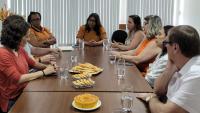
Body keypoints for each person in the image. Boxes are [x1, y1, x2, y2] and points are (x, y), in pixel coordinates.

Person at [0, 15, 56, 113]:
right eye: (26, 36)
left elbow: (34, 64)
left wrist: (51, 67)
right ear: (16, 37)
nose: (28, 39)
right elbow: (18, 78)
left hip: (25, 91)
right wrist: (44, 72)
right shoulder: (3, 54)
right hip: (12, 99)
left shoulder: (19, 49)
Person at [137, 25, 200, 113]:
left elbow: (164, 111)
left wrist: (150, 98)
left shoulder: (195, 75)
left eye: (165, 43)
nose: (165, 46)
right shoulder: (180, 64)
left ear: (175, 47)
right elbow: (158, 90)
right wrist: (168, 68)